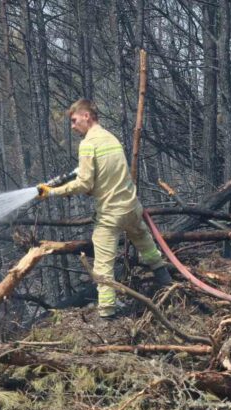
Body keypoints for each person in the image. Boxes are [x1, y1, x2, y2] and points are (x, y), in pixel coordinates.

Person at [37, 99, 172, 318]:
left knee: (103, 266)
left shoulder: (87, 144)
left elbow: (84, 184)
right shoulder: (111, 138)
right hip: (132, 208)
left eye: (74, 120)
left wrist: (52, 192)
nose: (72, 126)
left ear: (86, 116)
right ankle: (166, 281)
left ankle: (108, 312)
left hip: (111, 214)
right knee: (146, 245)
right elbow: (110, 175)